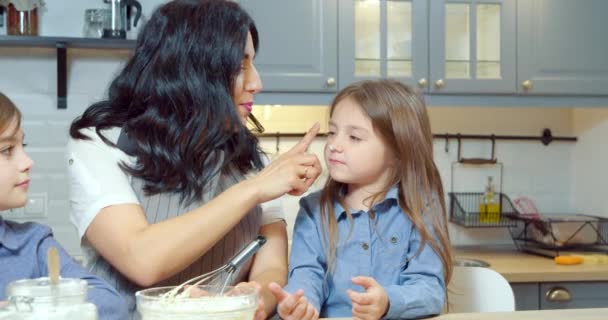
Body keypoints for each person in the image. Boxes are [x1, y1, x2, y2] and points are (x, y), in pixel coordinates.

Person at [66, 0, 321, 318]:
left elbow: (270, 266)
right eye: (240, 66)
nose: (257, 83)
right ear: (194, 71)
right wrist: (254, 188)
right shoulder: (101, 142)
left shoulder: (249, 157)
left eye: (252, 64)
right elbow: (143, 258)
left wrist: (252, 298)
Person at [269, 80, 454, 320]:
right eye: (332, 132)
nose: (334, 145)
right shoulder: (313, 209)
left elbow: (429, 290)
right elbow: (306, 273)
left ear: (398, 151)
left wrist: (388, 301)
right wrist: (300, 303)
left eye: (354, 137)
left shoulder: (422, 208)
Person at [0, 92, 128, 319]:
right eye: (7, 150)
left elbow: (111, 304)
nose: (28, 162)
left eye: (22, 144)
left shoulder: (33, 245)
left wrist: (25, 309)